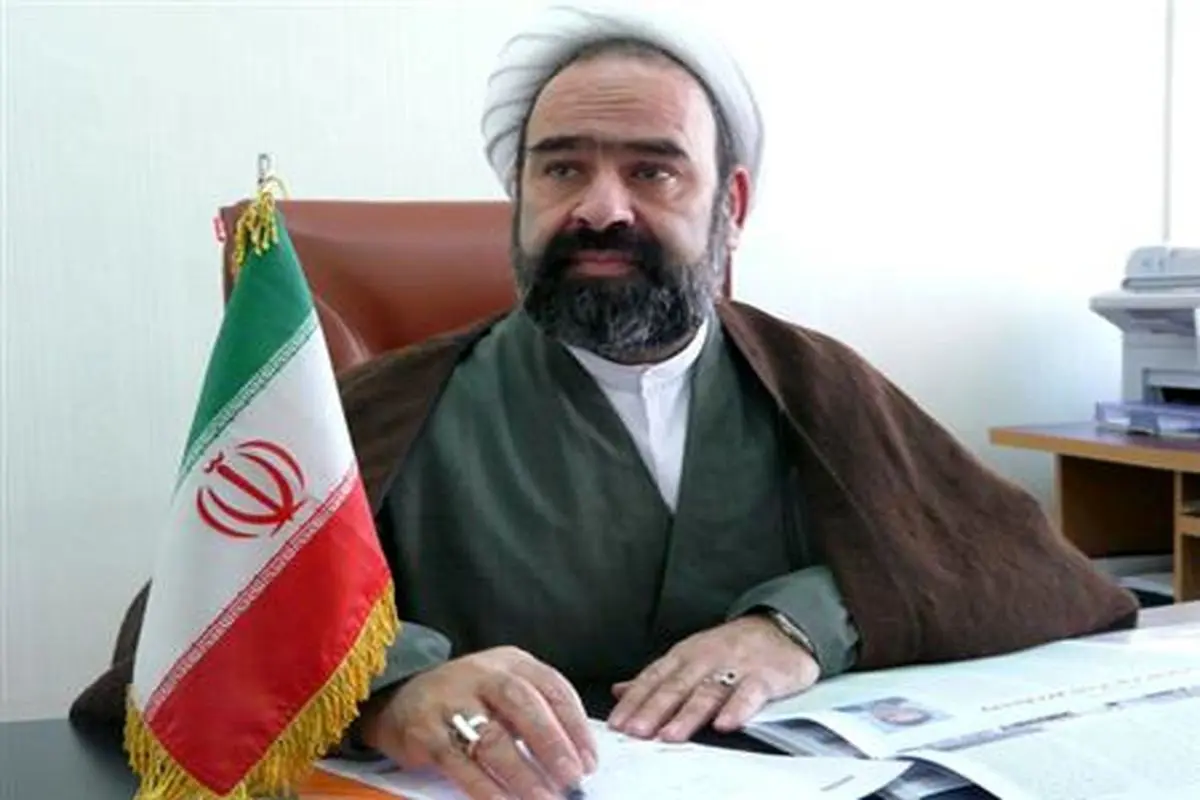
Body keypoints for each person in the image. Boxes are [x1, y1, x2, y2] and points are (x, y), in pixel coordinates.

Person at [71, 5, 1140, 800]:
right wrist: (392, 689)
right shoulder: (388, 401)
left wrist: (801, 625)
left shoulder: (818, 382)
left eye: (653, 171)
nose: (600, 208)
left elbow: (1024, 570)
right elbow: (187, 632)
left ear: (730, 205)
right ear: (519, 197)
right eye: (561, 169)